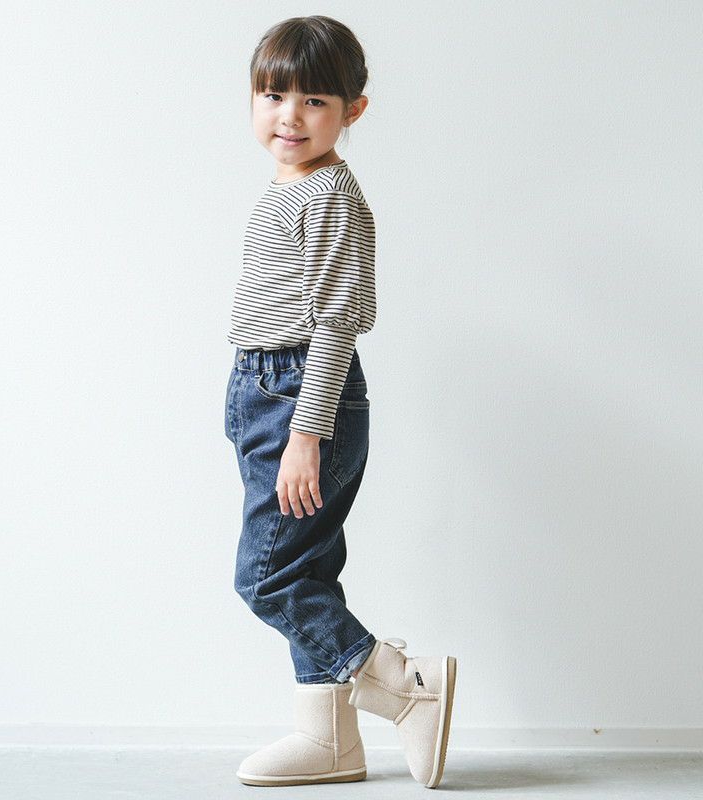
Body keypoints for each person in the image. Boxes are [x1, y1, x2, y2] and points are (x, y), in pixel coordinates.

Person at [223, 15, 457, 790]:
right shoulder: (291, 185)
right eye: (273, 95)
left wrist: (306, 432)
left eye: (314, 101)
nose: (289, 116)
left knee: (267, 577)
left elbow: (337, 321)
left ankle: (403, 687)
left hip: (300, 394)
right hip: (266, 388)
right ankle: (328, 741)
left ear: (353, 110)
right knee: (306, 567)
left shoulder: (330, 196)